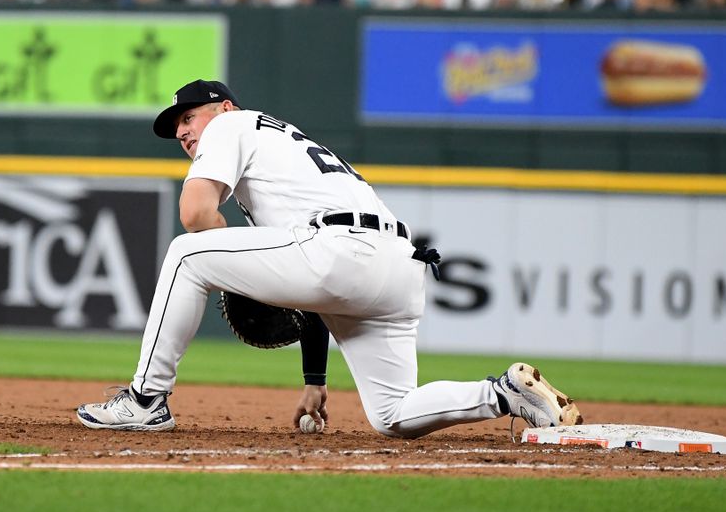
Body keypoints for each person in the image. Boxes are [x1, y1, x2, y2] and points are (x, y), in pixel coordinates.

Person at [76, 79, 582, 438]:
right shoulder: (286, 153)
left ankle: (146, 400)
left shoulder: (231, 128)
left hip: (339, 252)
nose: (184, 133)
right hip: (396, 267)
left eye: (189, 118)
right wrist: (315, 380)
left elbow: (195, 214)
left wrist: (234, 278)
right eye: (178, 128)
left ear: (223, 108)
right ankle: (503, 395)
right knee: (392, 414)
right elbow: (310, 287)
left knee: (187, 254)